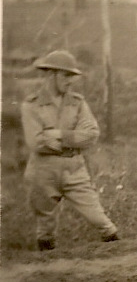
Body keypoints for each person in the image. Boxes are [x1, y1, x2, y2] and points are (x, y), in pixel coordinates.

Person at [21, 50, 119, 251]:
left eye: (72, 76)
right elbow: (35, 142)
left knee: (103, 223)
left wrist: (57, 134)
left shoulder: (77, 102)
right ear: (51, 75)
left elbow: (91, 134)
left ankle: (122, 262)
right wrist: (73, 137)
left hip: (75, 169)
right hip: (43, 171)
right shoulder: (31, 105)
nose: (71, 81)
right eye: (66, 75)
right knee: (45, 227)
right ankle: (48, 270)